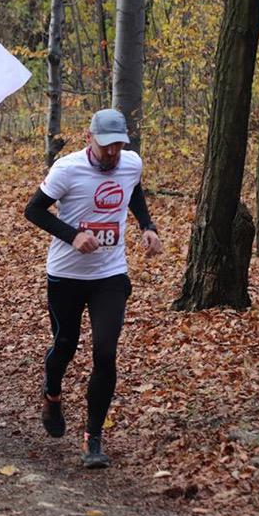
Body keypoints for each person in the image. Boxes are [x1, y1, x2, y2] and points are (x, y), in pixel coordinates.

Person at [23, 109, 162, 468]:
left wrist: (147, 226)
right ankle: (52, 394)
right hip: (66, 275)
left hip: (109, 274)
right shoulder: (67, 169)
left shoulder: (131, 163)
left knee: (105, 352)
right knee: (65, 344)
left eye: (118, 145)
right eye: (106, 146)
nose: (112, 152)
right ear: (89, 139)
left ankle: (93, 437)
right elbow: (33, 211)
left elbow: (134, 191)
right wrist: (73, 236)